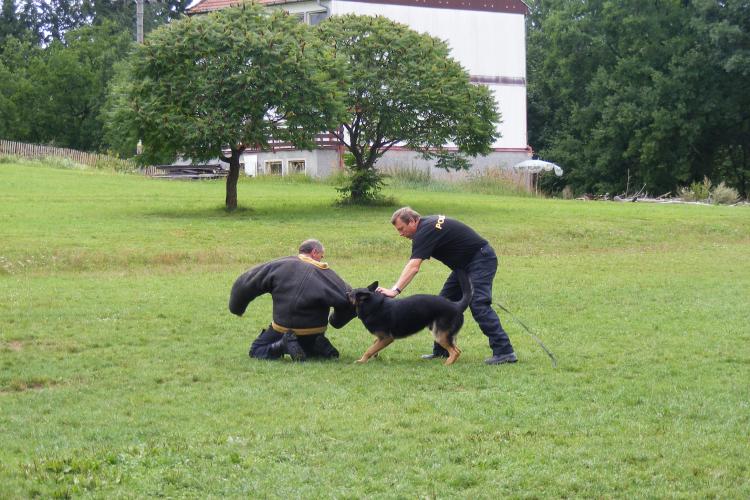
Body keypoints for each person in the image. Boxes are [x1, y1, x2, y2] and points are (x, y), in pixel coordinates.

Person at [376, 207, 517, 365]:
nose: (401, 234)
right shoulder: (427, 225)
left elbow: (413, 266)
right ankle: (442, 350)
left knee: (478, 303)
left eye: (401, 229)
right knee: (441, 304)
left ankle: (505, 351)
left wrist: (394, 290)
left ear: (413, 221)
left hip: (480, 260)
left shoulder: (425, 231)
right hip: (463, 266)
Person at [229, 239, 356, 362]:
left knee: (256, 350)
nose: (321, 259)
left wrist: (237, 308)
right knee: (311, 340)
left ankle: (282, 345)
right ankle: (317, 344)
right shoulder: (330, 276)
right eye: (321, 256)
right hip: (315, 330)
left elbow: (246, 283)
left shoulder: (279, 265)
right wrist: (335, 321)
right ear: (314, 252)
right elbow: (350, 300)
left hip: (281, 330)